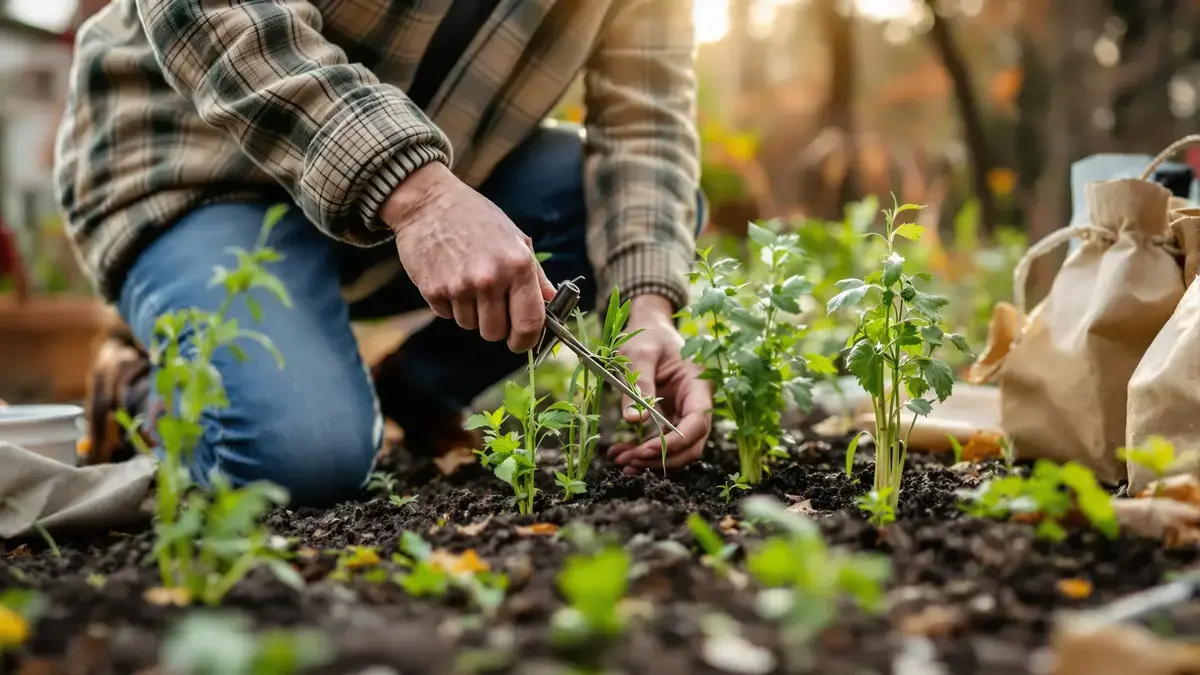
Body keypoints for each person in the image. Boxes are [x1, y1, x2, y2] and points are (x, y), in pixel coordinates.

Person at [54, 0, 713, 506]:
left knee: (602, 207)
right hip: (197, 169)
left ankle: (412, 391)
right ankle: (142, 391)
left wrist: (647, 311)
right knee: (299, 459)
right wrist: (420, 196)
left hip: (412, 185)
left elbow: (645, 123)